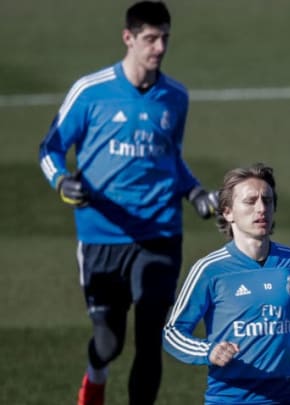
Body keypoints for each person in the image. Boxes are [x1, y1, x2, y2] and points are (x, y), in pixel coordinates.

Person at [37, 2, 219, 404]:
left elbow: (170, 158)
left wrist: (194, 192)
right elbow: (49, 148)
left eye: (165, 38)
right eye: (150, 39)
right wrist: (62, 182)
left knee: (151, 337)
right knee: (109, 341)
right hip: (102, 235)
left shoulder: (176, 97)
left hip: (159, 232)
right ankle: (95, 376)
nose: (159, 48)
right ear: (128, 38)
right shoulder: (90, 92)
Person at [163, 163, 290, 405]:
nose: (261, 209)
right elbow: (172, 333)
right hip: (230, 398)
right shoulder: (209, 270)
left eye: (267, 201)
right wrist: (208, 351)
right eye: (250, 201)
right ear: (228, 212)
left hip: (288, 396)